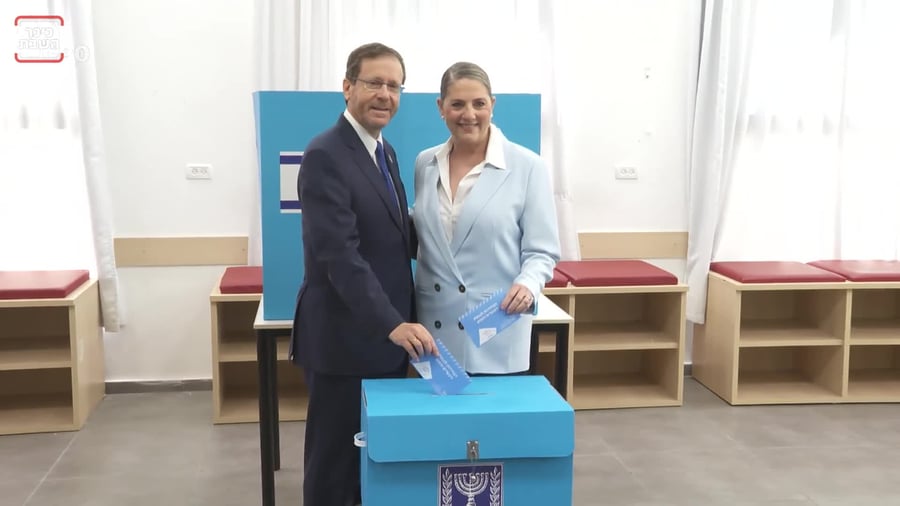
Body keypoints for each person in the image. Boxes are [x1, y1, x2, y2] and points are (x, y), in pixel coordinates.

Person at [289, 42, 438, 506]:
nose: (385, 95)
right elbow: (340, 257)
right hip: (344, 341)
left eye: (395, 86)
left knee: (371, 463)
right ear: (347, 86)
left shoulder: (383, 151)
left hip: (385, 340)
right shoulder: (325, 154)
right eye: (374, 83)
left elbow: (395, 237)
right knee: (335, 467)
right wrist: (393, 323)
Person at [412, 61, 560, 375]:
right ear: (441, 107)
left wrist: (528, 284)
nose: (469, 114)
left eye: (479, 104)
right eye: (457, 104)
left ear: (492, 105)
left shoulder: (528, 167)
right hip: (434, 331)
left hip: (496, 326)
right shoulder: (425, 163)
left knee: (494, 407)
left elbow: (542, 251)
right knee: (437, 408)